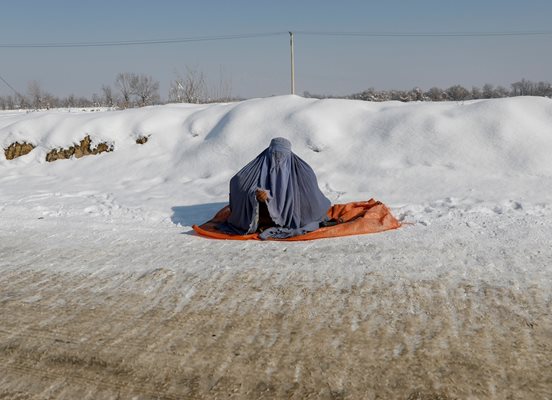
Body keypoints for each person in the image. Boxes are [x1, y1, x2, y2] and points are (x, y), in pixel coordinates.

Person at [223, 137, 331, 239]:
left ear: (290, 155)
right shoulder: (255, 169)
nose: (278, 159)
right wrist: (255, 194)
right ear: (268, 152)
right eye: (274, 154)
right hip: (263, 216)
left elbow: (313, 199)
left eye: (283, 155)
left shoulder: (304, 172)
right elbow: (238, 184)